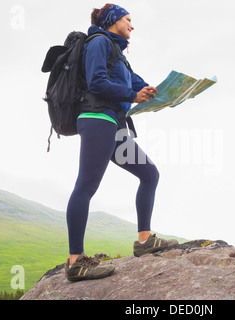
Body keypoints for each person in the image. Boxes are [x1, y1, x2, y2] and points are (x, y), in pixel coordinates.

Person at [64, 3, 178, 282]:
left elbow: (140, 86)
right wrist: (131, 94)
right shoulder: (99, 43)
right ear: (114, 20)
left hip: (113, 125)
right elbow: (96, 82)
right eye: (129, 19)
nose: (132, 25)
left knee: (149, 174)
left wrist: (165, 93)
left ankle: (144, 241)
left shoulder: (120, 54)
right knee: (86, 185)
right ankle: (76, 261)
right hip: (97, 119)